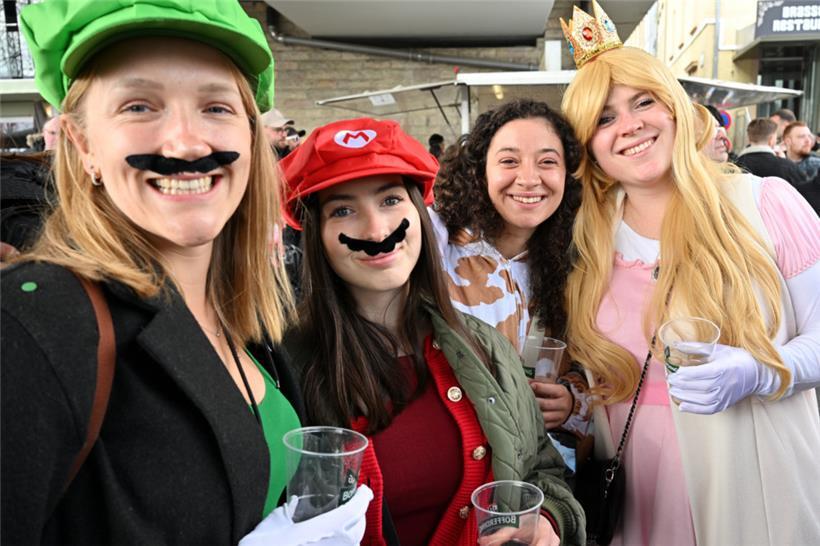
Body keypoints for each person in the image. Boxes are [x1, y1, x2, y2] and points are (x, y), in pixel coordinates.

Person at [1, 1, 371, 544]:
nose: (187, 143)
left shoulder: (248, 316)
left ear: (251, 138)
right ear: (84, 146)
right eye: (138, 106)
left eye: (216, 107)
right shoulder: (34, 325)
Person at [560, 1, 820, 544]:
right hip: (632, 487)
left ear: (675, 107)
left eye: (643, 101)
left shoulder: (765, 202)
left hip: (751, 474)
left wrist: (760, 371)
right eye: (604, 118)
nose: (629, 125)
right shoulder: (588, 238)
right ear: (588, 146)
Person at [280, 117, 586, 546]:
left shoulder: (485, 347)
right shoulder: (283, 371)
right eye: (343, 210)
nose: (376, 229)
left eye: (390, 200)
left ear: (419, 213)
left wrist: (547, 520)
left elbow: (541, 471)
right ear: (317, 235)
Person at [432, 99, 589, 436]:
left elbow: (596, 375)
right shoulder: (437, 245)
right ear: (480, 171)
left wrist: (570, 402)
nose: (529, 179)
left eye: (547, 162)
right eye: (509, 161)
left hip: (535, 459)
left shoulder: (578, 263)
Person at [735, 118, 807, 186]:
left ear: (749, 139)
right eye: (776, 138)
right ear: (771, 140)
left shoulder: (735, 166)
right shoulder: (788, 167)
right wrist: (784, 161)